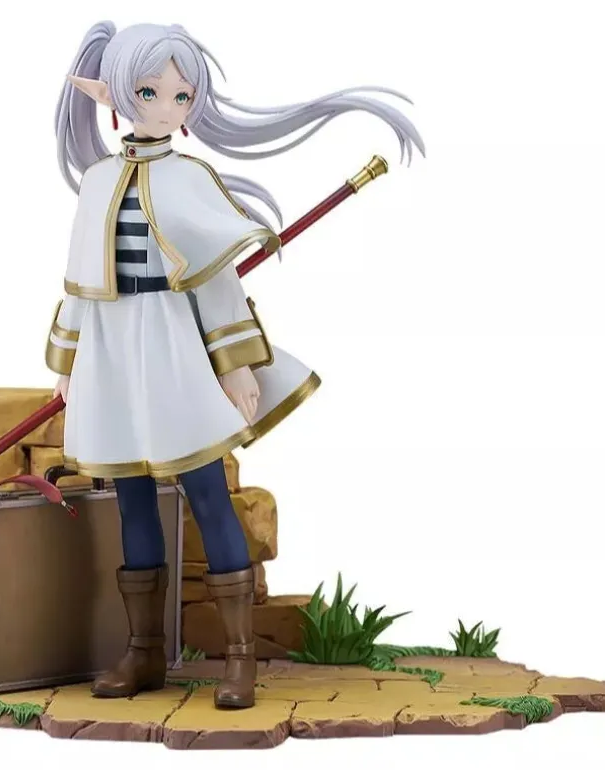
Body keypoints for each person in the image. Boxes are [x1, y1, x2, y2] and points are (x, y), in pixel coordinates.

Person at [47, 20, 424, 709]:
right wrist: (68, 362)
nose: (168, 106)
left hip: (173, 348)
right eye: (149, 92)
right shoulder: (98, 181)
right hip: (112, 352)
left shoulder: (190, 178)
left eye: (181, 94)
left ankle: (240, 659)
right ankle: (144, 653)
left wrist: (236, 364)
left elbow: (216, 282)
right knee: (132, 497)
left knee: (206, 491)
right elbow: (80, 284)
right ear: (111, 94)